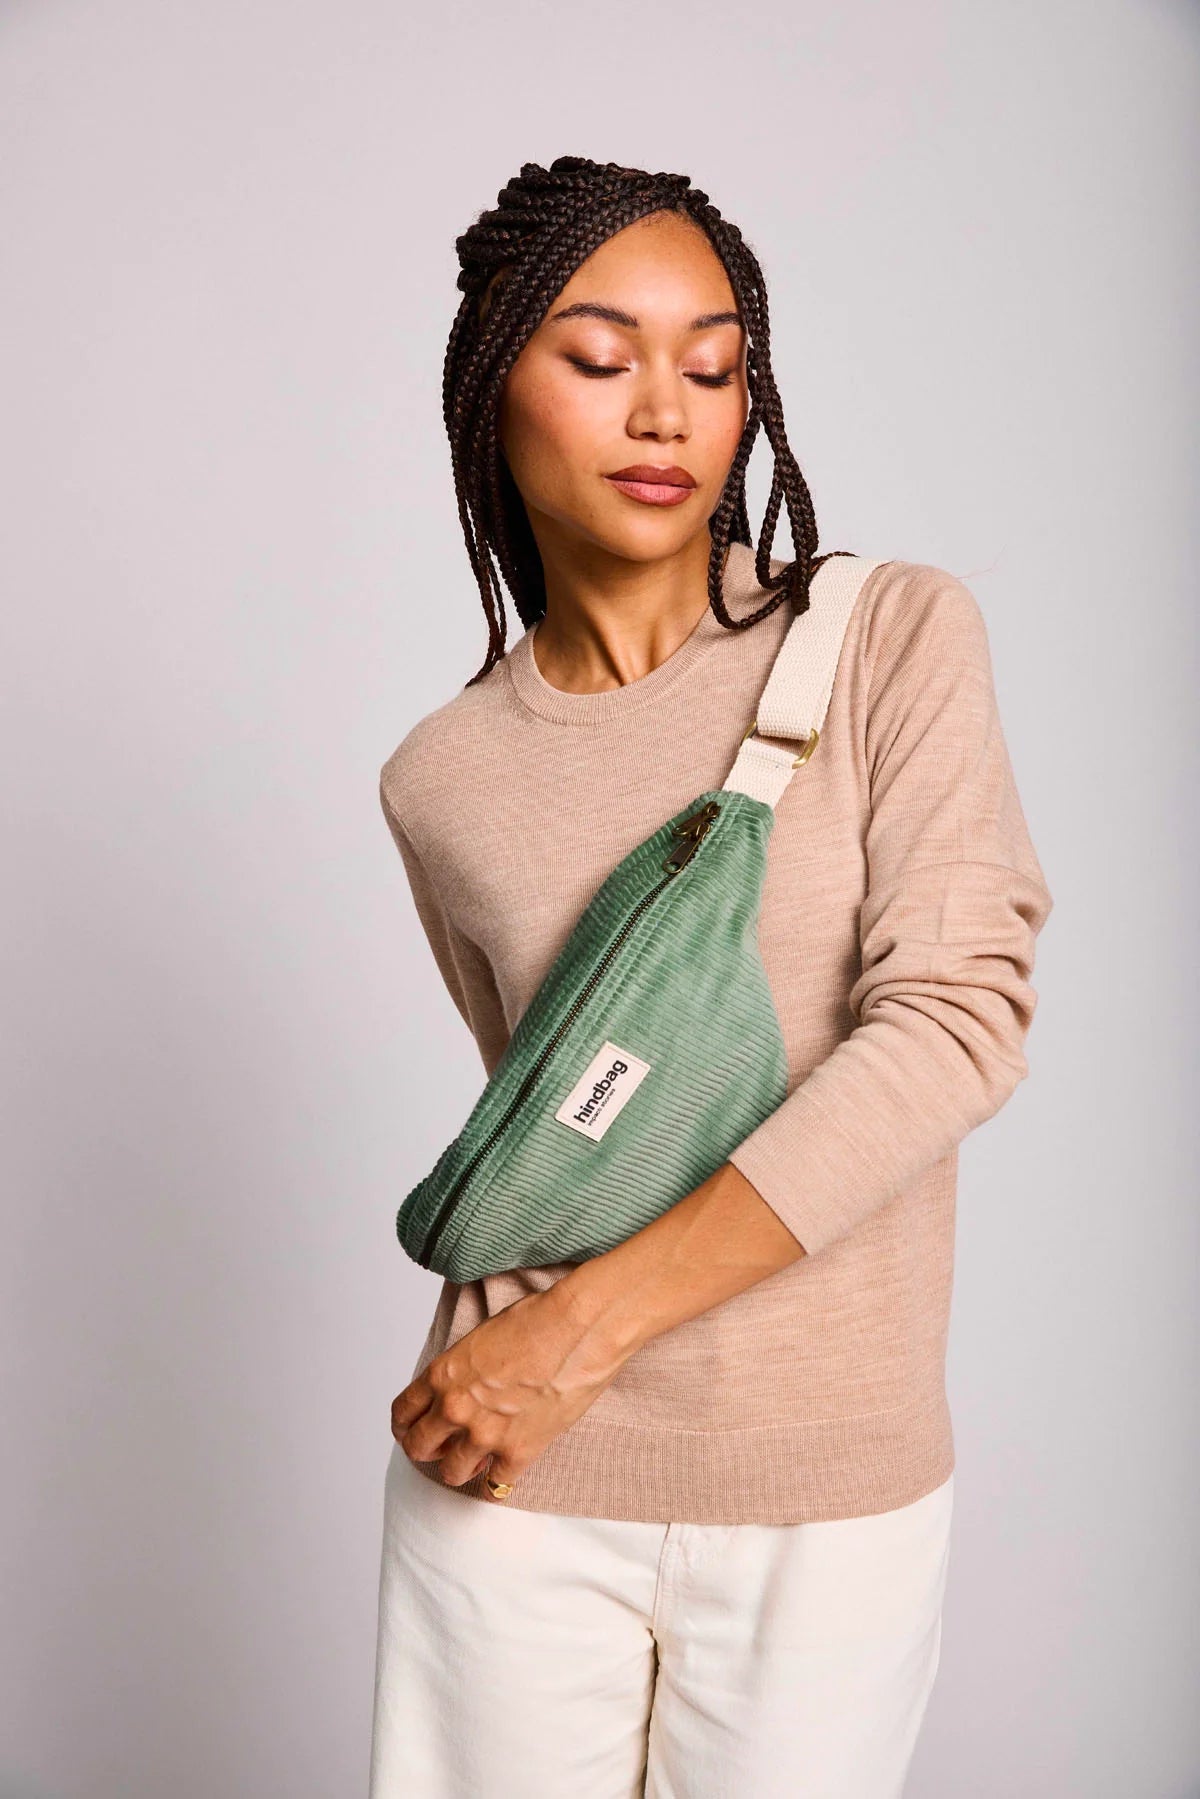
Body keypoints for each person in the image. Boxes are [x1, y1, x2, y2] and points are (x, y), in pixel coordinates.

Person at [368, 154, 1054, 1797]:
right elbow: (563, 1123)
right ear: (492, 389)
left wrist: (580, 1335)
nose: (665, 411)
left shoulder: (888, 636)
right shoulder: (441, 775)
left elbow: (957, 1025)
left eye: (715, 364)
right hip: (506, 1475)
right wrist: (535, 1358)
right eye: (601, 358)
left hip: (819, 1478)